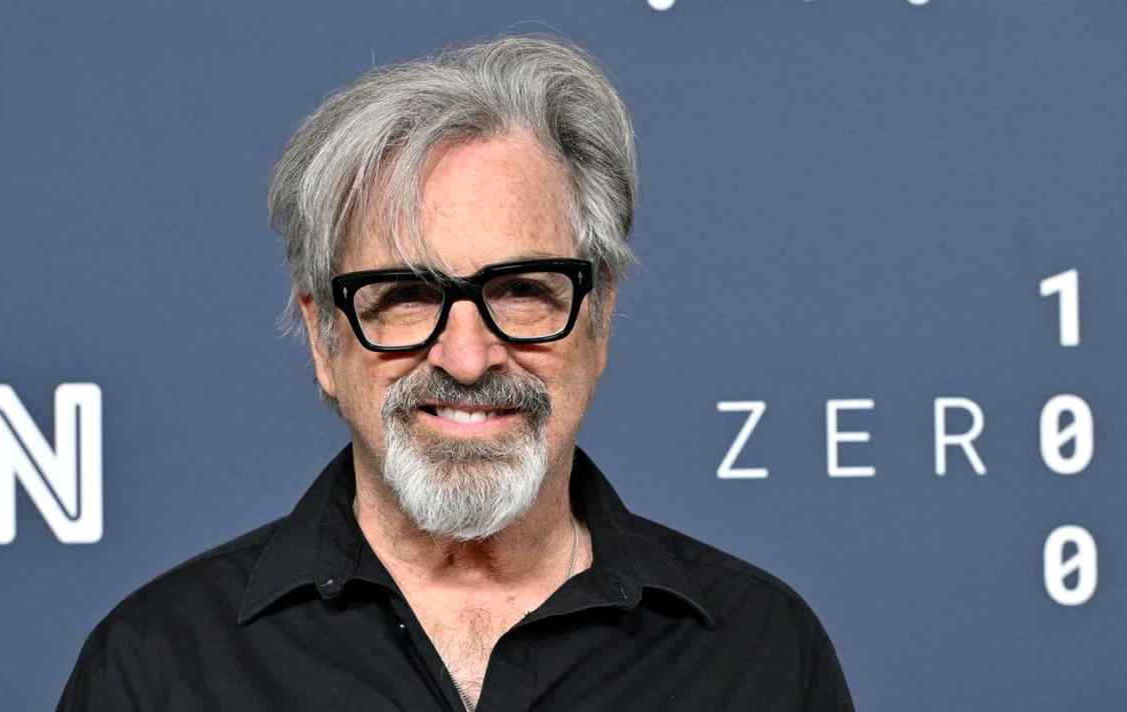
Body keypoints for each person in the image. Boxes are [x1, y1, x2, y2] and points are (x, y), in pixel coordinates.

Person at [57, 35, 854, 711]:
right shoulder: (159, 667)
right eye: (405, 296)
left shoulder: (762, 656)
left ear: (600, 317)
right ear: (323, 337)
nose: (468, 358)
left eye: (521, 291)